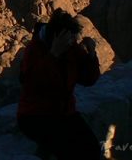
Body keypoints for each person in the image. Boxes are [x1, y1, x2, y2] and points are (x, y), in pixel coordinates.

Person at [17, 9, 103, 160]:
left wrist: (91, 54)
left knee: (93, 149)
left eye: (72, 39)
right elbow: (32, 84)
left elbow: (89, 80)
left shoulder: (71, 48)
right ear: (56, 36)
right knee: (68, 152)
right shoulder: (34, 50)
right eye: (68, 39)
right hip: (35, 116)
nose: (71, 42)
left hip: (65, 113)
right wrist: (53, 55)